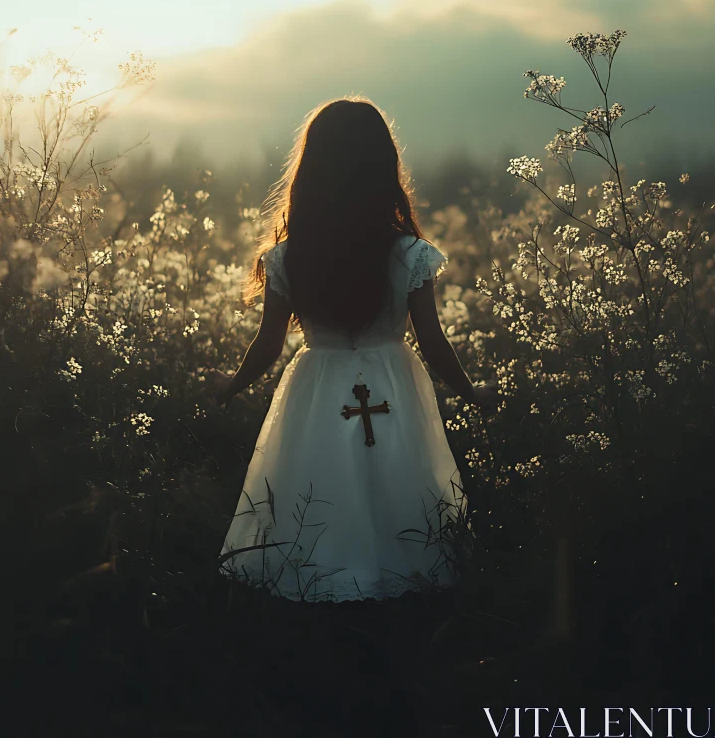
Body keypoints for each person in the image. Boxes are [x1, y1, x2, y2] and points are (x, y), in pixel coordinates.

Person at [212, 96, 500, 604]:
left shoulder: (287, 256)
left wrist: (229, 387)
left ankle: (320, 580)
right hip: (393, 379)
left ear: (311, 170)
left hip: (316, 384)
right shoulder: (409, 254)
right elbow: (431, 343)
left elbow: (269, 344)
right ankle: (405, 586)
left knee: (318, 486)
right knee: (397, 476)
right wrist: (472, 393)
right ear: (382, 167)